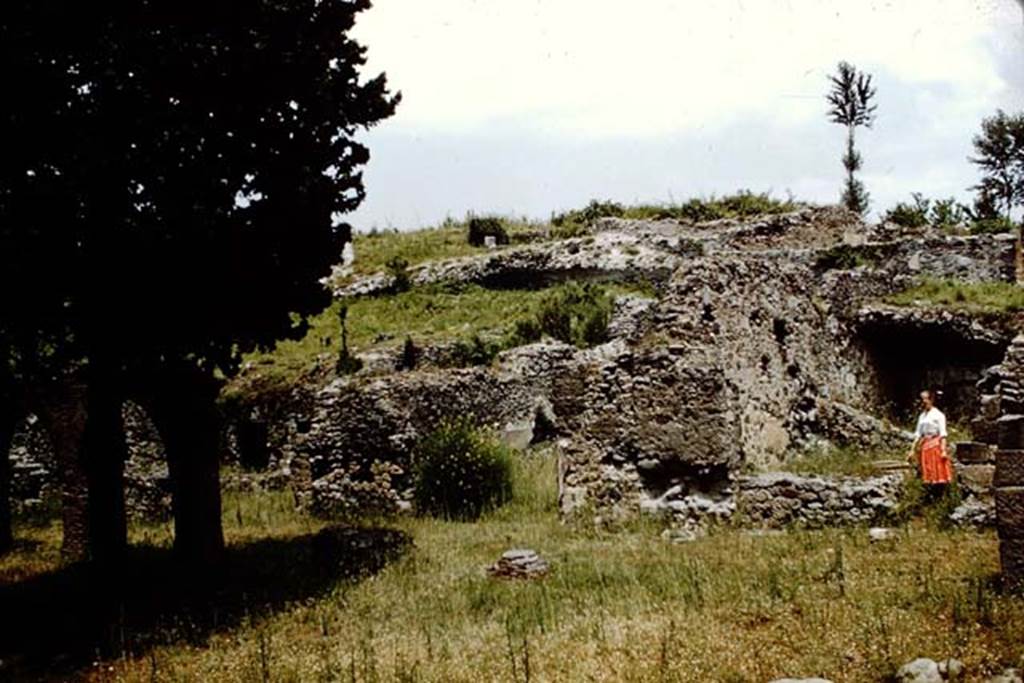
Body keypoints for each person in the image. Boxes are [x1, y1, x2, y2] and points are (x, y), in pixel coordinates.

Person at [907, 389, 953, 487]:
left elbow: (943, 434)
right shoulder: (922, 416)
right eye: (922, 399)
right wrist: (912, 450)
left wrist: (943, 450)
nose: (923, 402)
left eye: (925, 399)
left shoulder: (939, 415)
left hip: (935, 445)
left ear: (931, 400)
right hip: (925, 446)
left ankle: (939, 493)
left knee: (937, 471)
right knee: (927, 471)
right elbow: (918, 434)